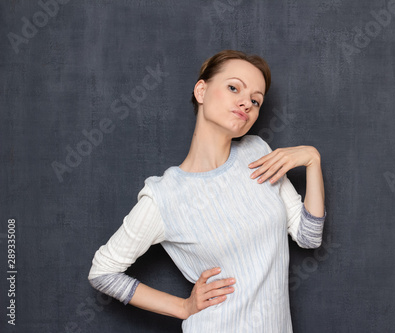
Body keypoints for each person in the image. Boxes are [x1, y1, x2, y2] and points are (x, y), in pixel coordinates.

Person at [88, 49, 326, 332]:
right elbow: (103, 272)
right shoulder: (165, 196)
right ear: (201, 90)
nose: (246, 103)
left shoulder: (258, 154)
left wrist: (312, 159)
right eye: (233, 87)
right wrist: (183, 307)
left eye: (255, 100)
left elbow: (309, 236)